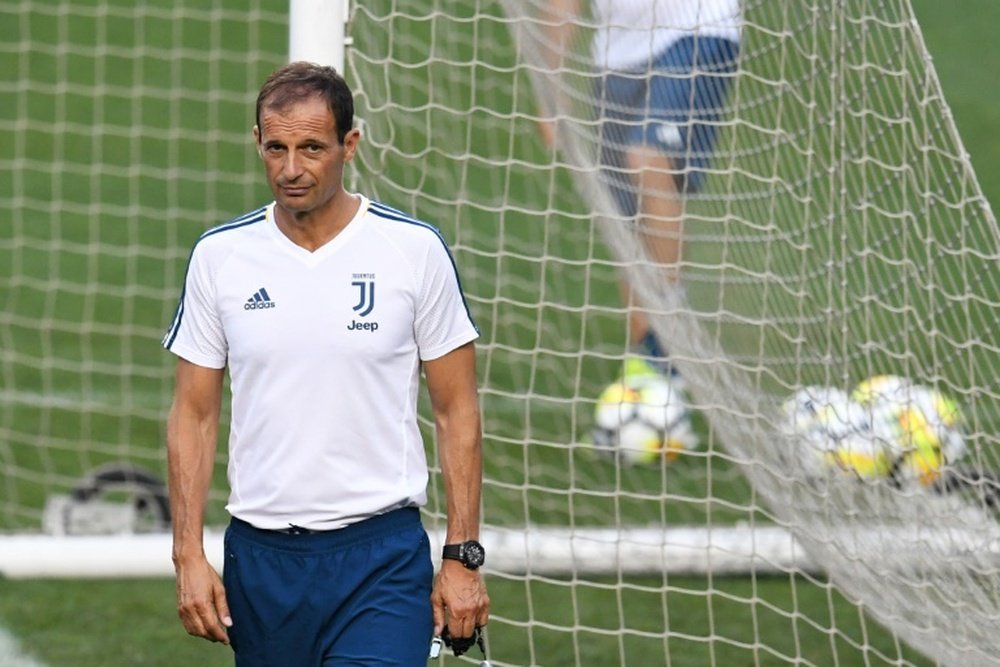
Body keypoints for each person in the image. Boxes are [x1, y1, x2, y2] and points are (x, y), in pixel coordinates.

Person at [162, 61, 490, 665]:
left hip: (380, 558)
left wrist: (462, 556)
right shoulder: (220, 257)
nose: (291, 169)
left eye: (312, 148)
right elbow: (193, 414)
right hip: (261, 564)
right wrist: (187, 553)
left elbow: (456, 409)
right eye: (276, 148)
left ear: (349, 145)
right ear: (257, 143)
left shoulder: (412, 252)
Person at [540, 0, 742, 388]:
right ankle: (647, 373)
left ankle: (665, 340)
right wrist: (552, 90)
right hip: (617, 53)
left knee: (648, 159)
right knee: (626, 217)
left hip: (698, 27)